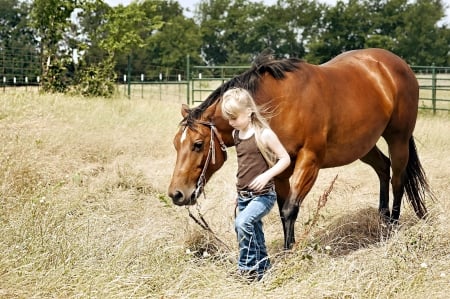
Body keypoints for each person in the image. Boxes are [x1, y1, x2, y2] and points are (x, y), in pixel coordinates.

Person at [221, 87, 290, 281]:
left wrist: (267, 175)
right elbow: (244, 166)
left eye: (234, 117)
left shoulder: (264, 134)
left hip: (263, 196)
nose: (231, 122)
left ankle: (247, 270)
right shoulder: (237, 135)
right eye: (228, 118)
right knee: (254, 231)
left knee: (242, 224)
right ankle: (263, 268)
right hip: (244, 196)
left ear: (249, 111)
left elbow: (285, 159)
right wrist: (239, 193)